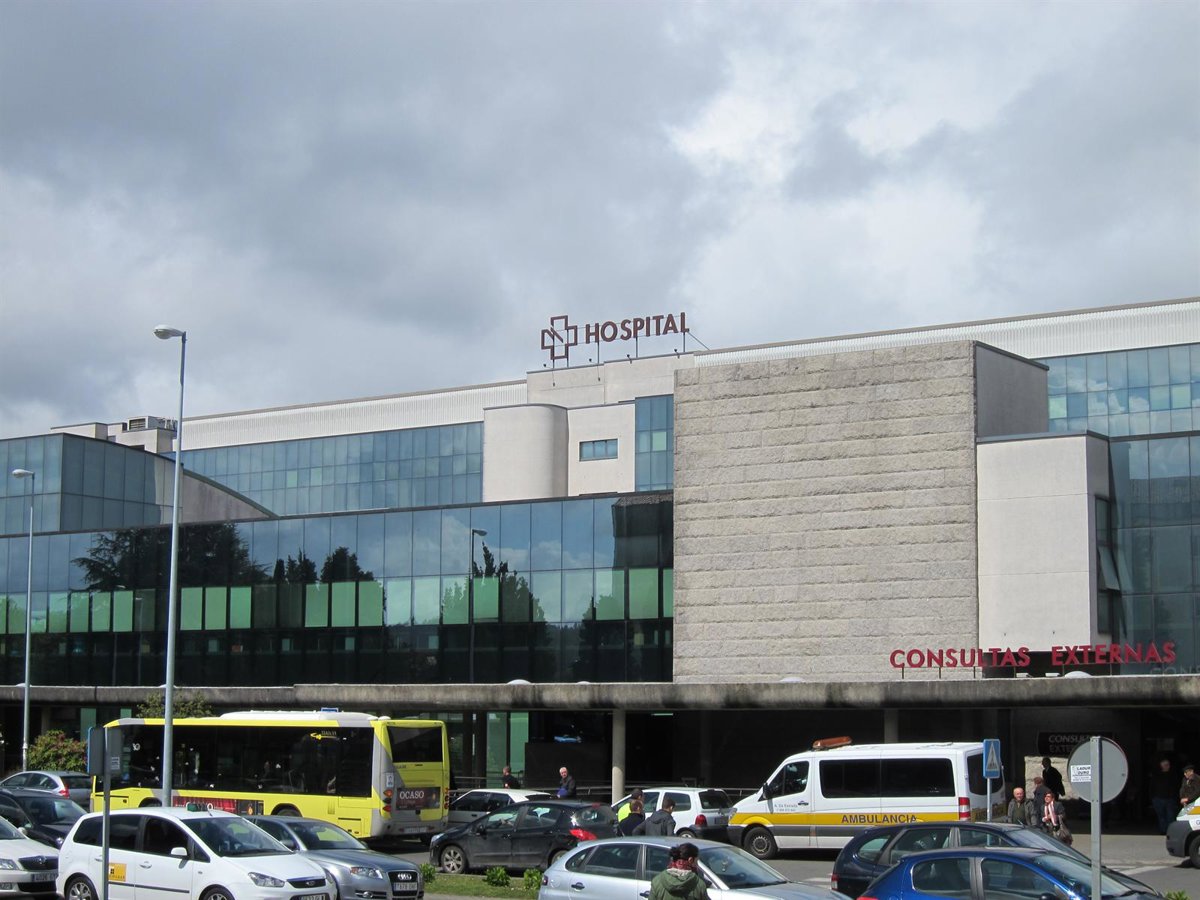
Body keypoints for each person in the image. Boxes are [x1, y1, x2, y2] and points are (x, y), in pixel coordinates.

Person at [1149, 758, 1177, 833]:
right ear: (1161, 766)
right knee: (1161, 816)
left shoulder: (1173, 775)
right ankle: (1163, 831)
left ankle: (1171, 831)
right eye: (1166, 765)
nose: (1168, 766)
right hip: (1158, 798)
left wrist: (1174, 797)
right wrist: (1152, 797)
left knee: (1170, 816)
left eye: (1168, 765)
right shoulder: (1156, 775)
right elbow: (1152, 787)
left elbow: (1176, 786)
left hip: (1170, 799)